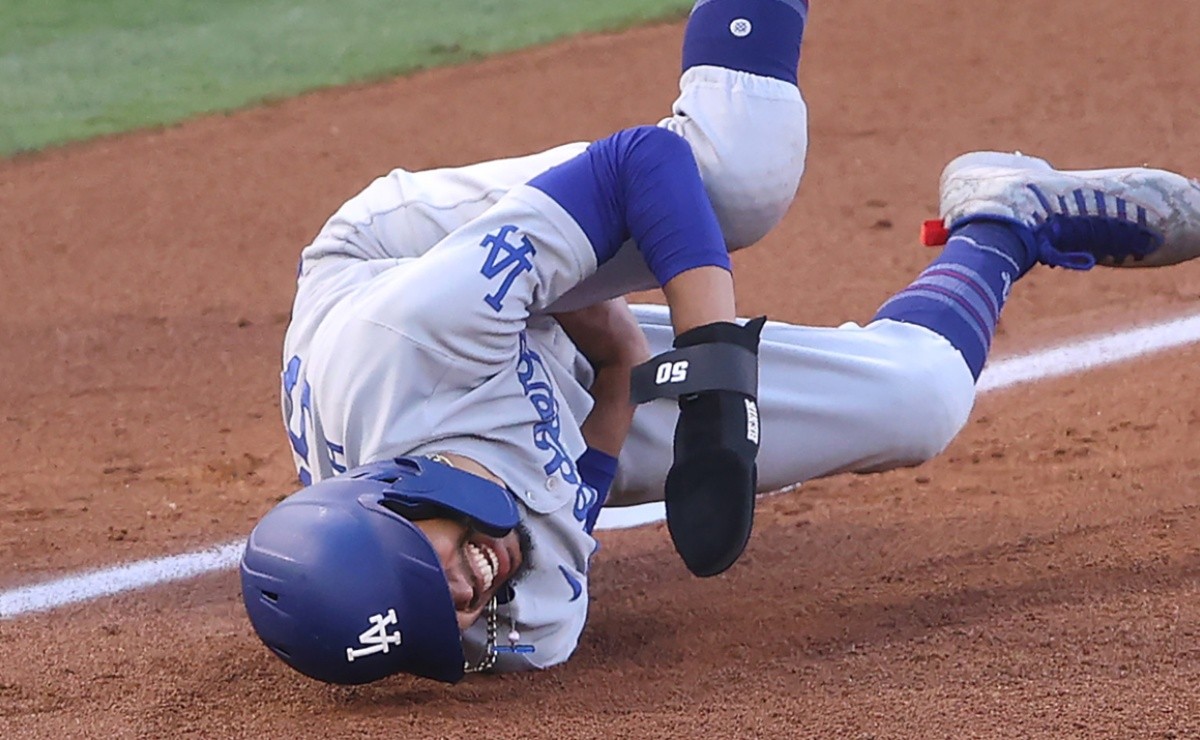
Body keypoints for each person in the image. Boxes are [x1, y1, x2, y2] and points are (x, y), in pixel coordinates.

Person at [239, 0, 1200, 686]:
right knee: (920, 402)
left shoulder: (409, 337)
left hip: (406, 265)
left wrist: (715, 395)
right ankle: (1006, 216)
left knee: (733, 174)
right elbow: (576, 478)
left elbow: (639, 164)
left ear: (391, 496)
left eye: (431, 567)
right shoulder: (516, 619)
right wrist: (617, 361)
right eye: (437, 618)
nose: (464, 589)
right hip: (539, 372)